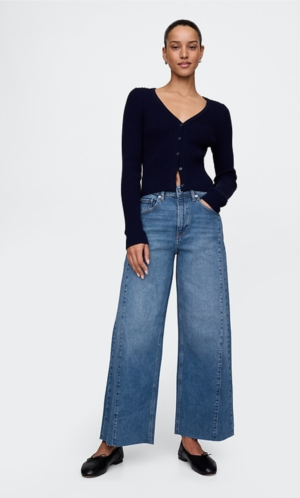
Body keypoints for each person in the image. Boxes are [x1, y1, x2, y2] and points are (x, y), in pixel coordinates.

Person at [81, 19, 237, 479]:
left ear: (202, 52)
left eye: (191, 46)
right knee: (137, 328)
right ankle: (113, 439)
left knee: (206, 330)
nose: (183, 53)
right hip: (152, 219)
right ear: (164, 53)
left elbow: (228, 174)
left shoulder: (217, 113)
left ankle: (192, 438)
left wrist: (211, 201)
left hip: (203, 225)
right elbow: (130, 169)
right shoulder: (141, 101)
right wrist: (134, 231)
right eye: (175, 46)